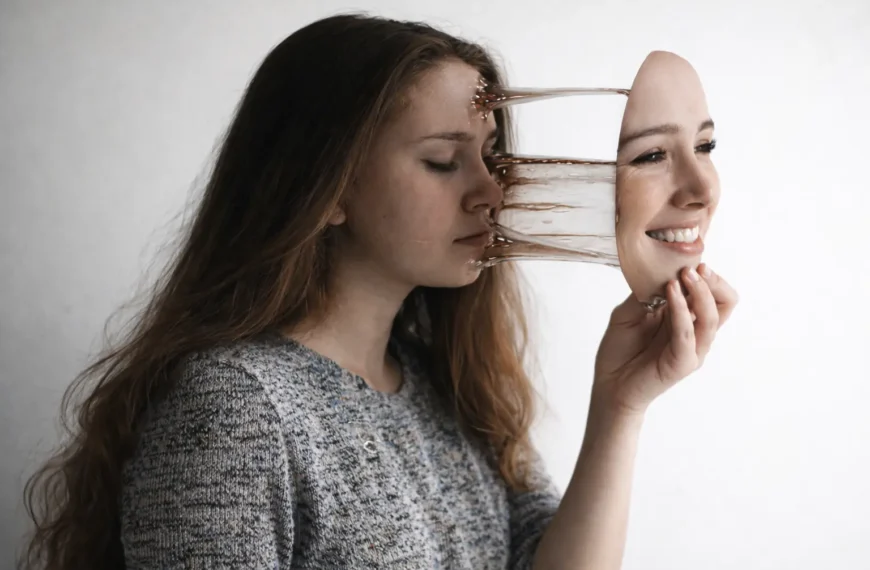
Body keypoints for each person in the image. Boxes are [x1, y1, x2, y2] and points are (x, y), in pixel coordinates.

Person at [20, 13, 738, 570]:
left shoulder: (450, 387)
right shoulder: (235, 409)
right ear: (328, 189)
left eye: (492, 157)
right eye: (443, 161)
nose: (492, 193)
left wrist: (620, 407)